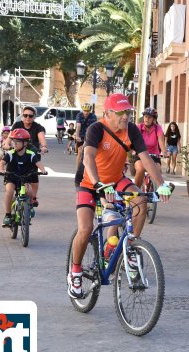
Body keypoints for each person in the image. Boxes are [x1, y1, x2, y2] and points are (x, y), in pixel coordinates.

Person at [68, 94, 172, 299]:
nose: (125, 117)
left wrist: (162, 185)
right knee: (86, 228)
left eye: (127, 112)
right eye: (120, 113)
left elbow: (145, 159)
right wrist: (98, 183)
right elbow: (88, 157)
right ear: (108, 114)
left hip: (116, 180)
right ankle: (76, 271)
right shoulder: (96, 129)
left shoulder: (131, 130)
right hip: (90, 183)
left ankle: (131, 247)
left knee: (140, 201)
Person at [0, 128, 46, 227]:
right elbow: (2, 163)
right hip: (11, 177)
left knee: (30, 191)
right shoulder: (11, 154)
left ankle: (30, 206)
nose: (14, 144)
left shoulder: (30, 154)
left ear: (25, 143)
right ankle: (7, 215)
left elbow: (38, 163)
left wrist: (43, 170)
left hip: (25, 177)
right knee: (9, 191)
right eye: (13, 141)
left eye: (18, 142)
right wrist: (1, 169)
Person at [12, 105, 48, 207]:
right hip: (18, 154)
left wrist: (44, 147)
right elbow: (10, 137)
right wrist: (6, 144)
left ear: (34, 117)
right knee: (12, 175)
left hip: (33, 155)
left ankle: (33, 198)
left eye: (30, 116)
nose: (28, 118)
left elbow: (42, 138)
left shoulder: (38, 127)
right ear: (22, 116)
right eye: (25, 115)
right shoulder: (17, 125)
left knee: (33, 178)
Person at [134, 107, 167, 189]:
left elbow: (161, 142)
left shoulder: (157, 128)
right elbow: (134, 141)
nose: (146, 119)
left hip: (154, 155)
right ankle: (135, 191)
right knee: (140, 169)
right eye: (145, 117)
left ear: (153, 119)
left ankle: (155, 188)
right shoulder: (139, 128)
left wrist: (164, 152)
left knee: (158, 170)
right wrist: (134, 150)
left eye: (149, 117)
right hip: (140, 155)